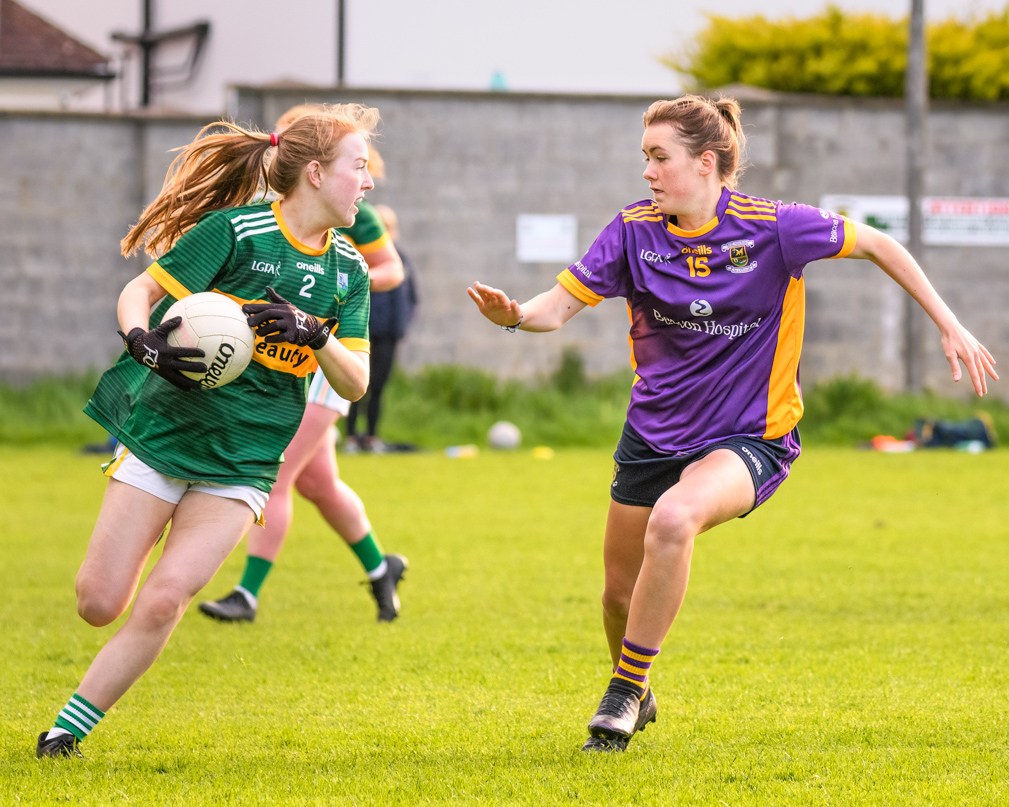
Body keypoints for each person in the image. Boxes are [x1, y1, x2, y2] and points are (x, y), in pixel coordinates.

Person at [467, 94, 997, 753]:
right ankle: (639, 686)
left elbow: (879, 244)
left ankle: (622, 691)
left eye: (659, 158)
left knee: (674, 518)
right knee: (614, 595)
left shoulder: (774, 227)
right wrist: (513, 314)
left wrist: (950, 323)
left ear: (706, 163)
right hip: (653, 434)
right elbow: (554, 307)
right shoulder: (632, 231)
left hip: (749, 435)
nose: (648, 172)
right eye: (645, 159)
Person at [36, 103, 379, 757]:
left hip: (246, 460)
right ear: (313, 172)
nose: (367, 183)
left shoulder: (349, 272)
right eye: (357, 167)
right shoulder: (236, 232)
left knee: (166, 598)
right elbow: (141, 291)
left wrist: (317, 336)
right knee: (99, 601)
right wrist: (143, 342)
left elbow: (356, 380)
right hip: (164, 435)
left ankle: (65, 732)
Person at [198, 105, 408, 625]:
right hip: (282, 356)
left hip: (327, 355)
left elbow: (390, 269)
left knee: (279, 475)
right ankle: (382, 568)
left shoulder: (356, 217)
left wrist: (323, 306)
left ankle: (246, 595)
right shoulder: (274, 210)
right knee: (319, 484)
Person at [345, 203, 419, 453]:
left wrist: (402, 323)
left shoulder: (401, 259)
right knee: (356, 384)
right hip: (363, 331)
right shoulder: (359, 255)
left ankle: (372, 436)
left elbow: (411, 297)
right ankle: (351, 436)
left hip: (389, 332)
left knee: (378, 386)